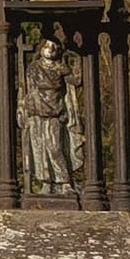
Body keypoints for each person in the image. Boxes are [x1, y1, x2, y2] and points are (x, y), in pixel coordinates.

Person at [22, 36, 82, 196]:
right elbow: (28, 89)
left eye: (54, 47)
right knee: (40, 150)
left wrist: (76, 58)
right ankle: (46, 183)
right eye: (47, 46)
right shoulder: (33, 68)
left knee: (55, 148)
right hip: (37, 112)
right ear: (41, 48)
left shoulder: (60, 68)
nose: (51, 50)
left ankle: (64, 182)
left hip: (55, 112)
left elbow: (76, 81)